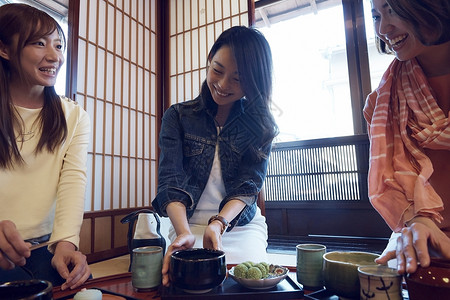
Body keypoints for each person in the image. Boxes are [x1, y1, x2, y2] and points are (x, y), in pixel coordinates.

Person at [151, 26, 278, 286]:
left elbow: (248, 186)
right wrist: (184, 233)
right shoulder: (177, 116)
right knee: (184, 281)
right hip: (185, 223)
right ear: (209, 61)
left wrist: (218, 223)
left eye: (237, 79)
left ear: (253, 81)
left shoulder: (260, 125)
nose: (222, 85)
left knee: (247, 281)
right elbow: (170, 182)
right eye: (217, 70)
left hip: (239, 227)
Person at [0, 3, 91, 289]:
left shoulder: (73, 115)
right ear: (4, 49)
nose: (54, 56)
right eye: (40, 43)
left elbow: (73, 180)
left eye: (59, 45)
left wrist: (66, 244)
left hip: (43, 250)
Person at [364, 0, 450, 274]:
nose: (384, 27)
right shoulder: (380, 104)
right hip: (420, 235)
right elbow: (391, 184)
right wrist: (417, 221)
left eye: (392, 9)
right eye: (376, 15)